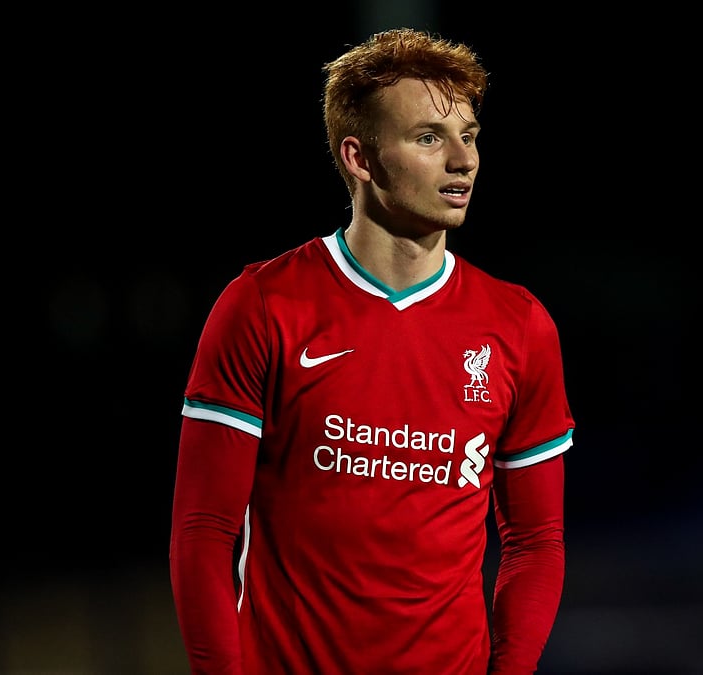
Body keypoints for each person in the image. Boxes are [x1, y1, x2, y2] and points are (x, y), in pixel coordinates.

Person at [169, 28, 574, 674]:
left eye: (468, 135)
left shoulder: (520, 326)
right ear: (359, 157)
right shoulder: (264, 304)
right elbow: (202, 531)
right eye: (428, 138)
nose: (462, 160)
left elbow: (535, 540)